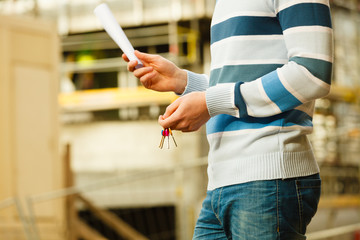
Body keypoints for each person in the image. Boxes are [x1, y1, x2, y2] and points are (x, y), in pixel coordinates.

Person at [123, 0, 333, 239]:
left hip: (268, 179)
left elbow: (313, 73)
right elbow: (238, 83)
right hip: (221, 183)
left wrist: (209, 103)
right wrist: (183, 81)